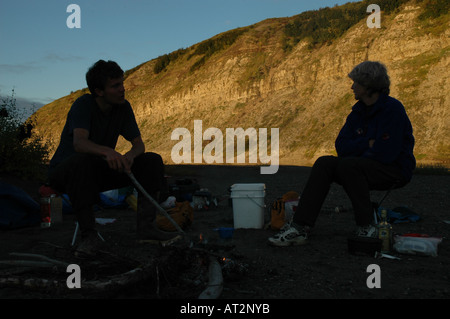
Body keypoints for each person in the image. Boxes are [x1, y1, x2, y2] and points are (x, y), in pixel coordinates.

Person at [268, 61, 416, 246]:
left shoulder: (392, 110)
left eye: (356, 83)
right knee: (324, 163)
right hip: (358, 167)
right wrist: (367, 144)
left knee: (348, 165)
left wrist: (358, 152)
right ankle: (299, 227)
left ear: (369, 86)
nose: (352, 86)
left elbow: (387, 153)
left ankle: (367, 226)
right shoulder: (357, 112)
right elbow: (341, 146)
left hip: (394, 170)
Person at [49, 60, 178, 255]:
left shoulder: (123, 108)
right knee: (81, 162)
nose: (122, 89)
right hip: (66, 173)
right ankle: (89, 236)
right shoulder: (84, 104)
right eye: (115, 86)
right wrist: (107, 151)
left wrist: (130, 156)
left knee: (152, 160)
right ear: (99, 91)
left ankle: (146, 229)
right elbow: (79, 143)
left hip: (97, 170)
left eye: (122, 83)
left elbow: (139, 144)